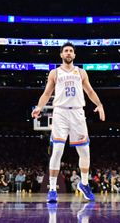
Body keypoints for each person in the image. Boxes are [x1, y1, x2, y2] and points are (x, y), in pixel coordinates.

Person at [31, 43, 105, 203]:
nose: (69, 53)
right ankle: (52, 189)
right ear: (61, 55)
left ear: (74, 55)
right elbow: (46, 93)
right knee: (57, 151)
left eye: (71, 51)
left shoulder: (81, 72)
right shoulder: (55, 73)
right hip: (60, 113)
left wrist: (99, 105)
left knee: (85, 151)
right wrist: (39, 108)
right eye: (66, 51)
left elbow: (90, 91)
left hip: (78, 112)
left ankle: (84, 184)